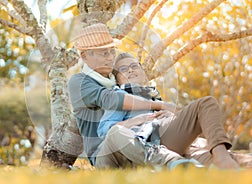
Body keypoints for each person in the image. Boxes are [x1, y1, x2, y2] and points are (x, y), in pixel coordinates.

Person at [68, 23, 239, 169]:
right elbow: (111, 101)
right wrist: (158, 107)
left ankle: (224, 159)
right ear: (85, 56)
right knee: (116, 132)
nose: (110, 57)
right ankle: (173, 162)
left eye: (111, 51)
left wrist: (169, 114)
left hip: (148, 142)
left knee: (204, 117)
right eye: (103, 53)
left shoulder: (133, 88)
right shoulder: (81, 81)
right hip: (106, 153)